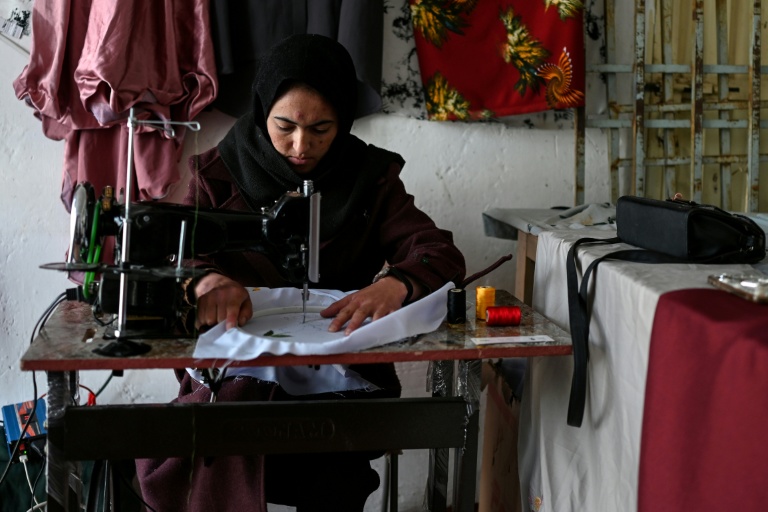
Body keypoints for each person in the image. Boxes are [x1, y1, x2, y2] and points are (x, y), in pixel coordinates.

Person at [135, 33, 466, 512]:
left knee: (332, 470)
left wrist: (397, 283)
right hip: (239, 371)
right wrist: (206, 280)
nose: (300, 146)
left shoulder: (370, 177)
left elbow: (437, 251)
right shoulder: (217, 172)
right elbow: (178, 255)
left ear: (345, 121)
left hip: (341, 371)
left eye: (322, 130)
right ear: (261, 108)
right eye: (284, 125)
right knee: (227, 422)